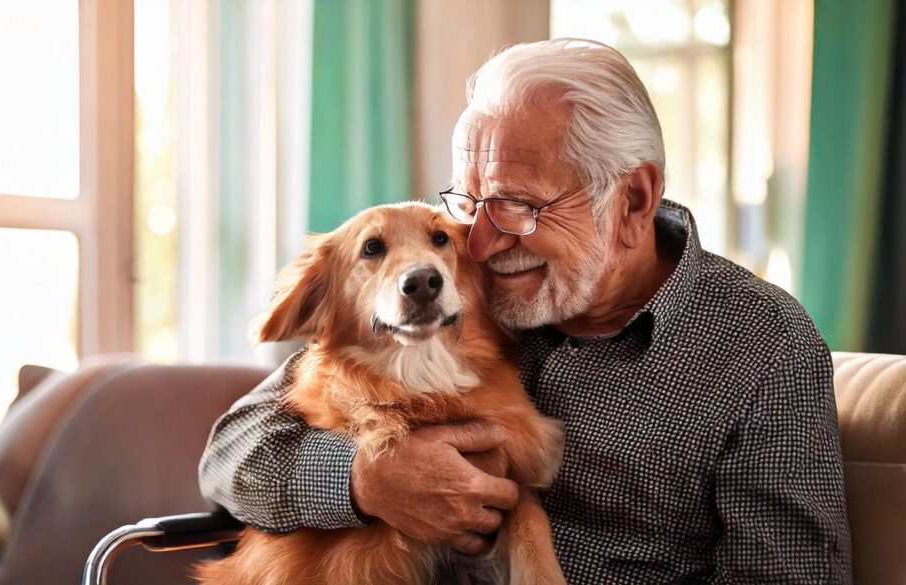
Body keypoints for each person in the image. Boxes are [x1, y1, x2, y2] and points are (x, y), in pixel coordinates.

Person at [199, 38, 852, 583]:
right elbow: (229, 457)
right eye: (467, 201)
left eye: (519, 205)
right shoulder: (458, 291)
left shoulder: (762, 346)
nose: (479, 242)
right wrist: (362, 478)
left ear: (632, 200)